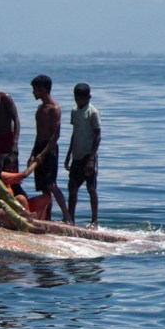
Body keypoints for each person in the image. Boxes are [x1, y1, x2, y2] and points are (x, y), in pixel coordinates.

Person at [24, 74, 71, 222]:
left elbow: (55, 135)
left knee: (51, 184)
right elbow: (38, 134)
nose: (33, 92)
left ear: (43, 89)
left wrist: (43, 154)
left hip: (49, 149)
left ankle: (67, 216)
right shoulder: (39, 108)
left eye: (35, 89)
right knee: (44, 187)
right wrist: (33, 154)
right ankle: (47, 217)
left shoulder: (54, 109)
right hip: (39, 147)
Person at [64, 81, 101, 226]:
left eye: (81, 98)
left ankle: (94, 221)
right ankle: (70, 219)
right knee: (72, 187)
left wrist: (91, 158)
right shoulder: (74, 111)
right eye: (76, 97)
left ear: (88, 97)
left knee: (91, 188)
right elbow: (74, 133)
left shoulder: (93, 112)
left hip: (88, 156)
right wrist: (68, 154)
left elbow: (97, 135)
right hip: (77, 155)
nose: (78, 100)